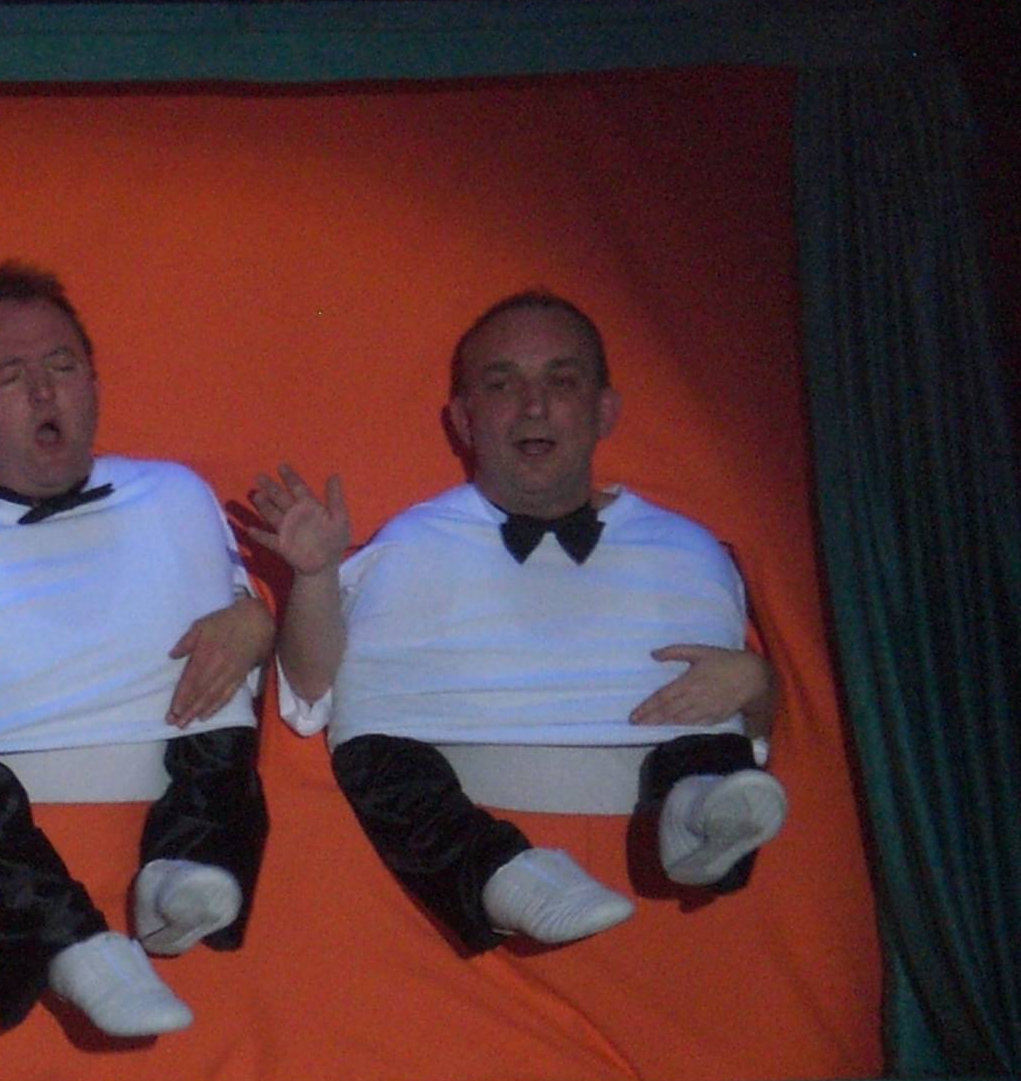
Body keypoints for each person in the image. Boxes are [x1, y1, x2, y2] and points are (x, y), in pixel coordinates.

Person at [251, 290, 783, 952]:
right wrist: (314, 576)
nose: (533, 406)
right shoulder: (410, 544)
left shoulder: (690, 551)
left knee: (719, 769)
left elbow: (755, 733)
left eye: (561, 381)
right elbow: (311, 694)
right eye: (502, 384)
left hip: (664, 780)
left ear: (604, 410)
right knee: (382, 764)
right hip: (457, 785)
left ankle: (698, 815)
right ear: (463, 419)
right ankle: (502, 876)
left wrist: (757, 682)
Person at [0, 262, 271, 1039]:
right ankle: (78, 952)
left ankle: (186, 870)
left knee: (225, 755)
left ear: (93, 383)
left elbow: (240, 615)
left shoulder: (175, 493)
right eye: (8, 376)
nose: (42, 392)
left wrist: (255, 619)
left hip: (176, 746)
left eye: (61, 367)